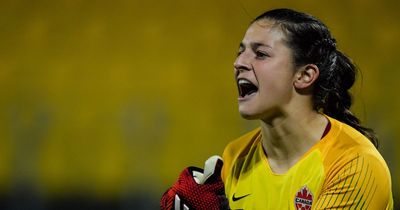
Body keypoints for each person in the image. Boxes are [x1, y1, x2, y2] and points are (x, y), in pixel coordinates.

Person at [161, 8, 393, 210]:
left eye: (260, 54)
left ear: (304, 75)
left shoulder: (356, 164)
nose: (239, 62)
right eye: (240, 51)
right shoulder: (236, 156)